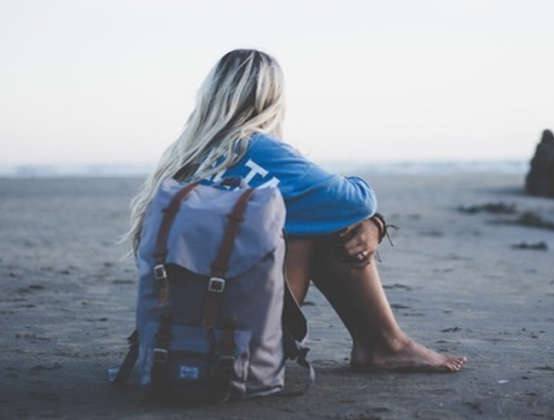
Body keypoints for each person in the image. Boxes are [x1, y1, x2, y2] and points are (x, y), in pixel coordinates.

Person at [124, 49, 466, 372]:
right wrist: (373, 224)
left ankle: (381, 345)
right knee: (335, 225)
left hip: (172, 333)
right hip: (234, 333)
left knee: (298, 216)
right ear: (271, 99)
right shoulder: (255, 148)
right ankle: (385, 344)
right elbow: (357, 200)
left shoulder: (183, 157)